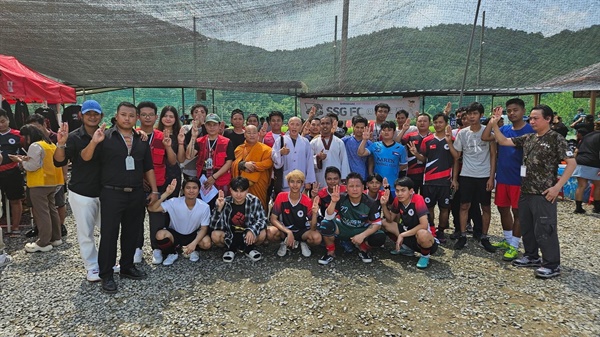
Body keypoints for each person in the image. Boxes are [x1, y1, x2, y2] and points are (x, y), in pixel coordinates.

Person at [487, 104, 576, 279]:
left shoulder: (556, 139)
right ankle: (531, 255)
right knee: (527, 226)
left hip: (544, 193)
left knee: (545, 228)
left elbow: (571, 163)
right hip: (526, 190)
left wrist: (557, 187)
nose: (532, 121)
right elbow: (504, 141)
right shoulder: (529, 138)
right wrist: (495, 124)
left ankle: (551, 264)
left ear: (548, 119)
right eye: (531, 118)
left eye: (536, 118)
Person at [81, 101, 159, 294]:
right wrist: (94, 141)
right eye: (123, 115)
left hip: (135, 193)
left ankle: (127, 266)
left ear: (136, 118)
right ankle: (106, 274)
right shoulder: (104, 136)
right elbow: (85, 157)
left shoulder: (141, 139)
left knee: (132, 231)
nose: (127, 118)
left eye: (131, 116)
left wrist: (155, 191)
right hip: (111, 192)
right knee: (109, 234)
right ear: (116, 116)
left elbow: (148, 166)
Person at [53, 100, 103, 281]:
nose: (92, 116)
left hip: (105, 191)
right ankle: (91, 266)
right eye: (88, 113)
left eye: (96, 113)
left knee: (109, 230)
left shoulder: (109, 135)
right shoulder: (73, 137)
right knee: (85, 232)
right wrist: (60, 144)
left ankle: (106, 261)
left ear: (101, 116)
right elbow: (59, 161)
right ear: (81, 115)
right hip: (82, 192)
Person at [481, 98, 534, 261]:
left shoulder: (531, 130)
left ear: (524, 111)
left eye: (515, 110)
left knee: (518, 212)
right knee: (503, 209)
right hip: (503, 177)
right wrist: (493, 121)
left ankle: (514, 245)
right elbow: (485, 136)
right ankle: (508, 238)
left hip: (520, 180)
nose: (512, 113)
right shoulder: (504, 129)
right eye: (509, 110)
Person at [134, 101, 178, 264]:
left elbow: (173, 162)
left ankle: (157, 248)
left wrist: (168, 147)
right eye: (144, 114)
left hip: (159, 183)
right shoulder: (133, 134)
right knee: (136, 217)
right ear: (138, 117)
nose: (147, 117)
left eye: (150, 114)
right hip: (137, 184)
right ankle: (137, 249)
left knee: (157, 218)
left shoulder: (162, 136)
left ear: (155, 116)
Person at [450, 102, 496, 252]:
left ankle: (484, 236)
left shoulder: (488, 132)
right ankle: (463, 235)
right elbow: (457, 156)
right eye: (469, 114)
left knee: (486, 207)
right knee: (464, 206)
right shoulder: (462, 134)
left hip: (483, 175)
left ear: (481, 115)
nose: (471, 116)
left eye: (475, 113)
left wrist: (491, 177)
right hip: (467, 175)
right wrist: (455, 179)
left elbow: (493, 156)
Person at [12, 125, 64, 253]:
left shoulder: (35, 146)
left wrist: (20, 161)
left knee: (42, 212)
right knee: (52, 210)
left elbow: (32, 166)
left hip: (39, 182)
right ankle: (56, 237)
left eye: (25, 136)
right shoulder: (50, 144)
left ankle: (43, 242)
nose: (24, 139)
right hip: (52, 182)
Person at [317, 172, 385, 265]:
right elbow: (328, 217)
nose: (354, 189)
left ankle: (363, 248)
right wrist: (333, 202)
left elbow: (377, 223)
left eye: (357, 186)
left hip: (361, 229)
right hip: (343, 227)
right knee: (325, 224)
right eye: (351, 186)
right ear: (346, 188)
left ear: (363, 187)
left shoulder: (370, 202)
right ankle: (330, 252)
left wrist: (362, 235)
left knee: (380, 236)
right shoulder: (341, 198)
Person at [409, 113, 457, 244]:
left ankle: (441, 231)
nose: (438, 125)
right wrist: (416, 154)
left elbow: (456, 158)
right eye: (435, 122)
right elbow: (424, 159)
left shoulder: (451, 139)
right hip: (429, 180)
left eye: (441, 122)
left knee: (444, 208)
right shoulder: (427, 140)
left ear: (446, 123)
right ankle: (432, 230)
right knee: (429, 207)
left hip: (445, 181)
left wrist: (454, 179)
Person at [147, 178, 212, 265]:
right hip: (175, 234)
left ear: (199, 190)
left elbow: (204, 228)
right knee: (160, 235)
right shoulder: (174, 202)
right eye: (188, 188)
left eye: (194, 188)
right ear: (183, 190)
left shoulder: (204, 207)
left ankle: (193, 249)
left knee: (207, 243)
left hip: (192, 234)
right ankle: (172, 253)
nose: (191, 191)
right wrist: (167, 193)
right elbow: (152, 208)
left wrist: (194, 243)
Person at [381, 177, 438, 269]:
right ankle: (407, 249)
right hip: (409, 233)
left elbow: (423, 225)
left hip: (426, 238)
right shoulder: (397, 200)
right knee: (383, 223)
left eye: (403, 190)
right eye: (397, 191)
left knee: (422, 233)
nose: (399, 194)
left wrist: (402, 235)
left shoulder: (418, 199)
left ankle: (425, 256)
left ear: (411, 191)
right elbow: (390, 219)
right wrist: (384, 205)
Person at [210, 177, 267, 263]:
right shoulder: (225, 202)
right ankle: (231, 248)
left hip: (248, 235)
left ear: (247, 190)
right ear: (231, 191)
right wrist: (219, 209)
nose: (239, 195)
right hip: (230, 235)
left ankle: (248, 248)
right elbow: (214, 226)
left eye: (242, 191)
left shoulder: (254, 200)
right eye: (236, 191)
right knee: (215, 235)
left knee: (263, 233)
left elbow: (262, 219)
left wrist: (251, 230)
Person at [268, 170, 322, 257]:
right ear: (288, 183)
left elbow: (313, 227)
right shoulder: (281, 196)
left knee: (317, 238)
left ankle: (303, 243)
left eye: (298, 182)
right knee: (270, 232)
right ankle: (284, 242)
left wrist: (315, 213)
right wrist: (288, 232)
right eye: (292, 181)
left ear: (302, 184)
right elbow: (273, 219)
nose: (295, 185)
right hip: (284, 230)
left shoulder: (307, 200)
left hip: (301, 232)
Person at [185, 113, 234, 206]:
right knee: (204, 207)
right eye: (209, 125)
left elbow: (229, 162)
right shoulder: (200, 141)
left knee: (221, 206)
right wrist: (193, 137)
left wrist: (214, 177)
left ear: (219, 126)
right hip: (204, 180)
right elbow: (189, 156)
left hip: (220, 179)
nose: (212, 127)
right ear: (205, 126)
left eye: (214, 125)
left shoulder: (226, 142)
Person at [358, 121, 408, 195]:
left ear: (394, 132)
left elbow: (404, 164)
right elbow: (360, 153)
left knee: (391, 206)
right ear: (381, 132)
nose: (386, 132)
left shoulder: (400, 148)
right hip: (377, 186)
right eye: (384, 130)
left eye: (389, 130)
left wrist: (394, 169)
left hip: (393, 186)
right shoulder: (375, 145)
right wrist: (364, 139)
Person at [231, 125, 273, 210]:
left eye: (254, 133)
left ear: (258, 134)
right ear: (244, 134)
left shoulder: (266, 149)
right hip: (243, 183)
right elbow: (234, 164)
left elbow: (269, 163)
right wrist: (244, 164)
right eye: (249, 133)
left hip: (260, 182)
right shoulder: (240, 149)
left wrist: (252, 166)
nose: (252, 135)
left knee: (260, 205)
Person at [272, 117, 316, 192]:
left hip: (301, 179)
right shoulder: (280, 140)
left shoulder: (305, 142)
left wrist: (308, 180)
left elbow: (309, 161)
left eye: (297, 125)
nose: (294, 127)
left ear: (301, 126)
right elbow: (274, 158)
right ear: (288, 125)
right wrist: (281, 153)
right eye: (292, 124)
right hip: (285, 180)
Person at [0, 108, 24, 234]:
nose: (1, 125)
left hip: (12, 172)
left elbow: (26, 151)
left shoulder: (17, 134)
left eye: (3, 121)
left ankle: (15, 227)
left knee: (15, 199)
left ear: (8, 120)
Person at [311, 114, 350, 188]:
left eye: (327, 123)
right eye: (322, 123)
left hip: (336, 178)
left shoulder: (339, 142)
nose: (325, 126)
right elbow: (308, 161)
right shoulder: (314, 142)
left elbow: (344, 161)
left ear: (332, 125)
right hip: (320, 177)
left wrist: (344, 178)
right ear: (320, 125)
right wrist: (318, 157)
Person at [398, 113, 432, 193]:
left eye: (425, 121)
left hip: (428, 173)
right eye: (420, 121)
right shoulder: (410, 136)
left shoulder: (433, 138)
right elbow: (397, 141)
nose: (422, 123)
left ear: (430, 123)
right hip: (411, 173)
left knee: (425, 200)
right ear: (416, 123)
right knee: (411, 197)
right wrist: (403, 130)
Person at [573, 121, 600, 214]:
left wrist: (574, 162)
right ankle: (597, 207)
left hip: (581, 161)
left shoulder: (587, 136)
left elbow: (577, 150)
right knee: (598, 185)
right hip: (594, 162)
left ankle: (578, 207)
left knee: (581, 186)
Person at [179, 104, 208, 180]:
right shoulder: (186, 127)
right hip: (188, 167)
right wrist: (194, 127)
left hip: (204, 168)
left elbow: (208, 139)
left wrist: (202, 124)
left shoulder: (209, 128)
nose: (199, 114)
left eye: (202, 112)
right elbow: (186, 141)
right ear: (192, 115)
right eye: (196, 112)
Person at [343, 116, 370, 181]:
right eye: (357, 127)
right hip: (347, 176)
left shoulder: (369, 144)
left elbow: (371, 161)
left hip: (363, 177)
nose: (359, 130)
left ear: (366, 128)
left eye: (362, 128)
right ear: (353, 126)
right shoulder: (345, 140)